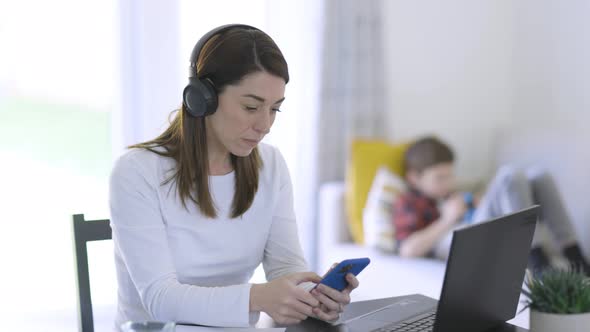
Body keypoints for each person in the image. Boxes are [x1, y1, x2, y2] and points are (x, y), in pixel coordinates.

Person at [109, 24, 358, 329]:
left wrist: (313, 298)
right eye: (251, 106)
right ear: (202, 99)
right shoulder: (137, 171)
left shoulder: (271, 165)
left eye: (274, 110)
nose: (265, 125)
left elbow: (287, 268)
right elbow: (161, 299)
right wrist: (258, 297)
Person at [392, 136, 590, 276]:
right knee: (508, 175)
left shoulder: (450, 192)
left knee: (539, 176)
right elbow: (407, 250)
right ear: (414, 178)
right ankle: (534, 258)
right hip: (451, 242)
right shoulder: (408, 201)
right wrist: (447, 219)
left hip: (476, 229)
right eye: (440, 178)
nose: (448, 182)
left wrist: (477, 204)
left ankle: (575, 255)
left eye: (450, 175)